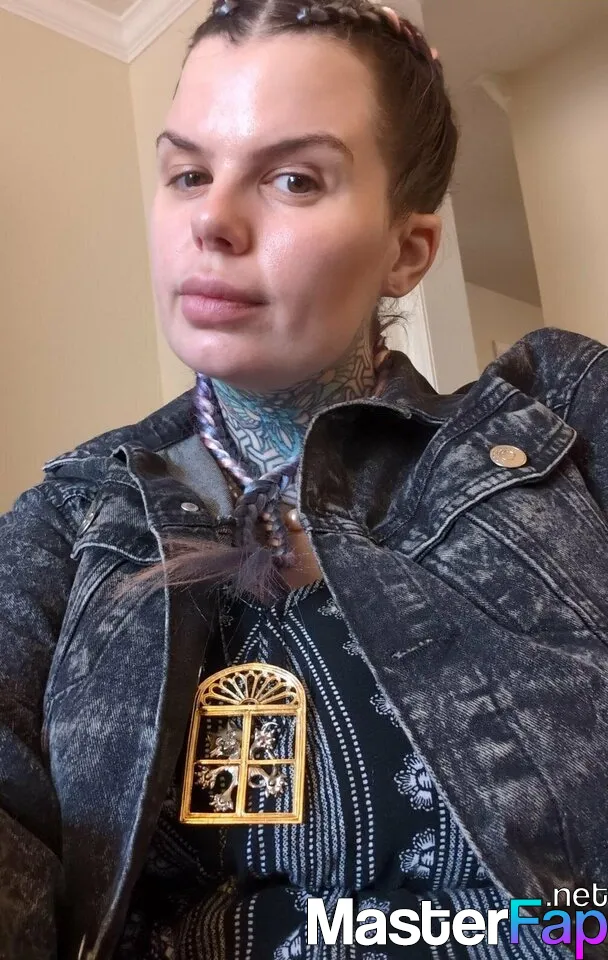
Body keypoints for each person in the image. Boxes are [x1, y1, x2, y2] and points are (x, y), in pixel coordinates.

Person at [2, 0, 608, 957]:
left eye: (293, 178)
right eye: (188, 173)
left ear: (407, 250)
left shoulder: (564, 415)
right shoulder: (67, 519)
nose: (212, 221)